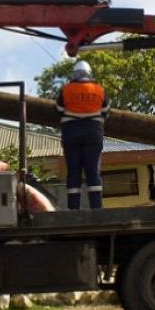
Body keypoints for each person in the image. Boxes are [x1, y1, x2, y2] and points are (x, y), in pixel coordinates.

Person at [55, 60, 110, 209]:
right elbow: (105, 112)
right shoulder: (99, 90)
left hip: (71, 134)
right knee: (93, 171)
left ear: (74, 74)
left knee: (73, 172)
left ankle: (74, 209)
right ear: (89, 74)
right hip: (93, 133)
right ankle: (97, 208)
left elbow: (59, 110)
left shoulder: (66, 90)